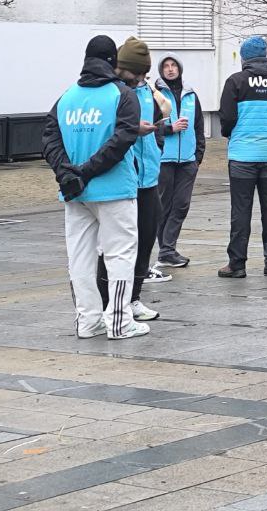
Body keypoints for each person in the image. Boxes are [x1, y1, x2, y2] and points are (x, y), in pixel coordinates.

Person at [42, 36, 147, 340]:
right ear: (113, 61)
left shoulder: (67, 98)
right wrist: (87, 171)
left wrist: (68, 173)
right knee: (120, 257)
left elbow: (49, 139)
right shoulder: (122, 94)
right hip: (114, 190)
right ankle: (119, 321)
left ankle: (87, 321)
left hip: (76, 194)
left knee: (81, 260)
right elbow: (123, 138)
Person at [95, 37, 166, 324]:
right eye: (137, 73)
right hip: (124, 178)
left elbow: (158, 115)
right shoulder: (112, 91)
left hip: (149, 176)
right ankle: (108, 304)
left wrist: (156, 136)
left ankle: (133, 298)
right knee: (115, 246)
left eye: (144, 75)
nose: (141, 79)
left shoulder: (144, 89)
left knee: (146, 238)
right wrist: (132, 130)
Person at [218, 37, 267, 278]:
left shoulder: (236, 81)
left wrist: (232, 134)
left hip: (243, 155)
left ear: (244, 58)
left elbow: (227, 119)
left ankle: (237, 264)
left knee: (241, 210)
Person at [154, 56, 204, 270]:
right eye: (166, 66)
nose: (170, 69)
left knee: (181, 204)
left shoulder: (191, 95)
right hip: (164, 159)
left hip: (187, 161)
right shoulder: (155, 95)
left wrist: (197, 156)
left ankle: (167, 250)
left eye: (174, 65)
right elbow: (149, 126)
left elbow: (199, 127)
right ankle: (166, 250)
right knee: (163, 206)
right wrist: (169, 129)